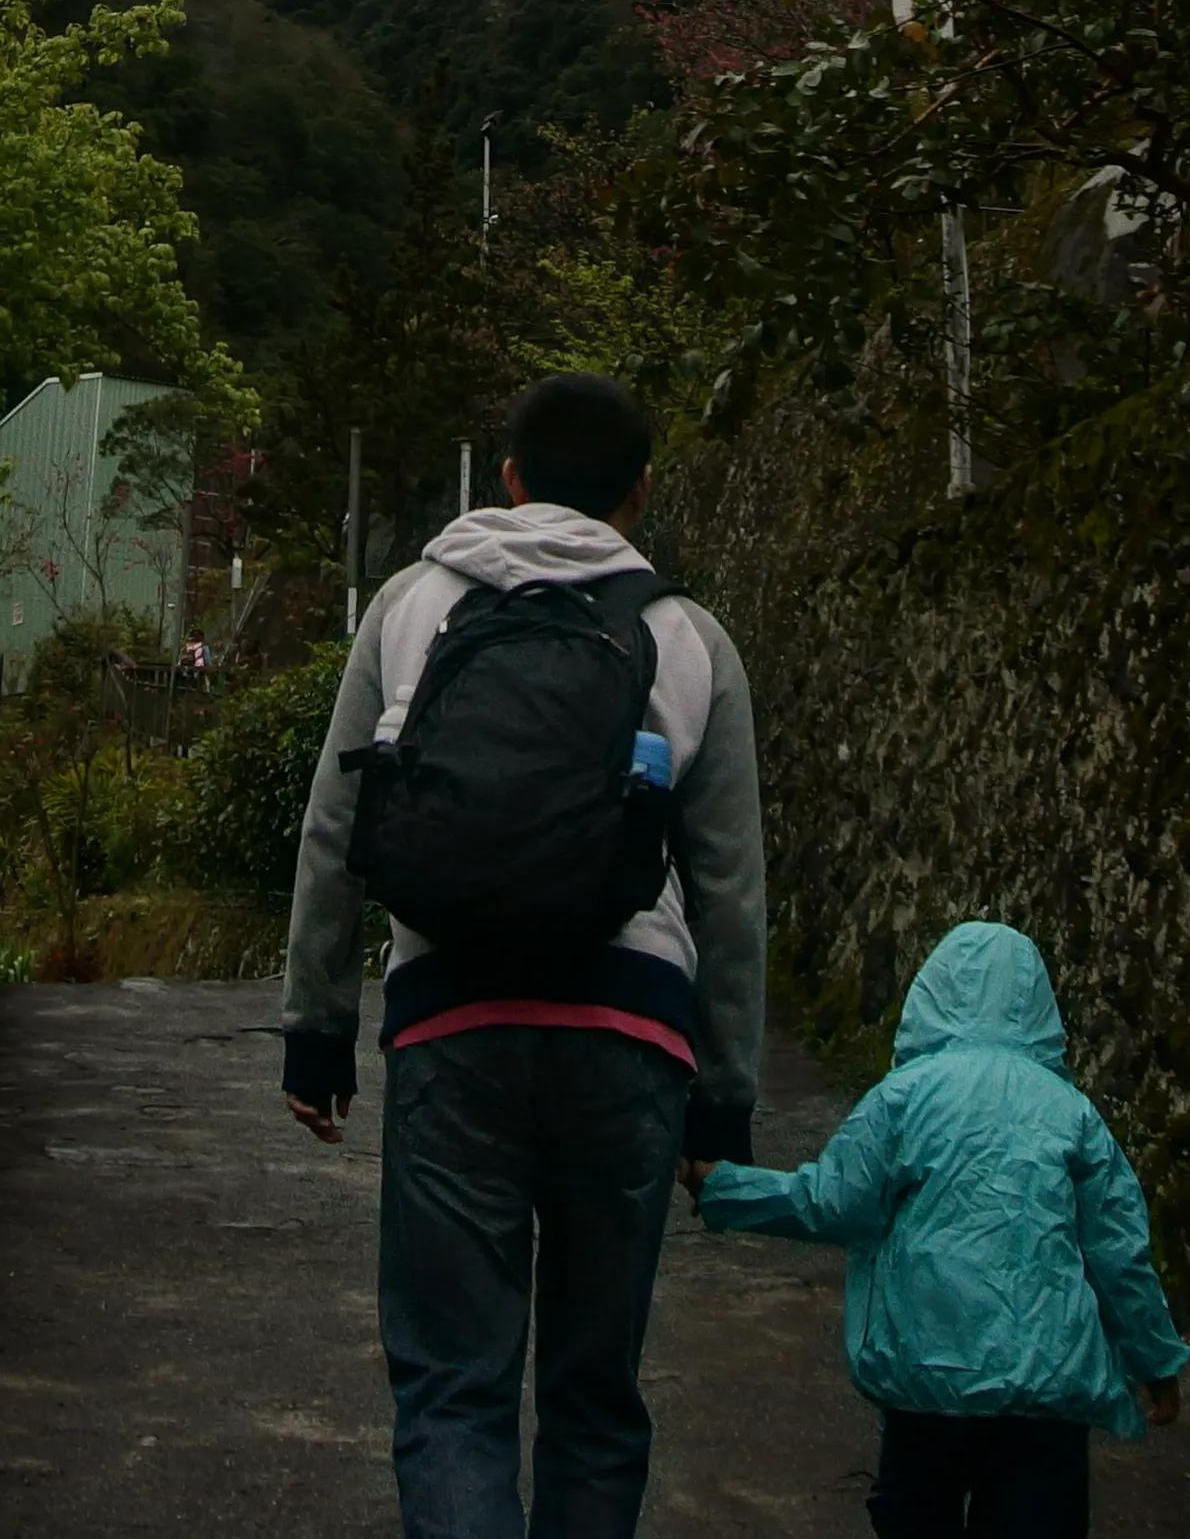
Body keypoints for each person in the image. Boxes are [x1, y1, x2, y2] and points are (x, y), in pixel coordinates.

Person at [281, 372, 768, 1539]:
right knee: (594, 1398)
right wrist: (725, 1107)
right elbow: (730, 892)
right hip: (632, 1035)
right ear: (639, 494)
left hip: (454, 1020)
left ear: (505, 479)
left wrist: (315, 1031)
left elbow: (334, 829)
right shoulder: (687, 639)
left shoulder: (408, 606)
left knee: (455, 1385)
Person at [695, 921, 1190, 1539]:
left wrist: (724, 1185)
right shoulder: (1072, 1113)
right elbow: (1119, 1253)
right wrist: (1154, 1361)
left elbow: (829, 1202)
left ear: (932, 994)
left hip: (928, 1379)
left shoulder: (903, 1099)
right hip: (1044, 1392)